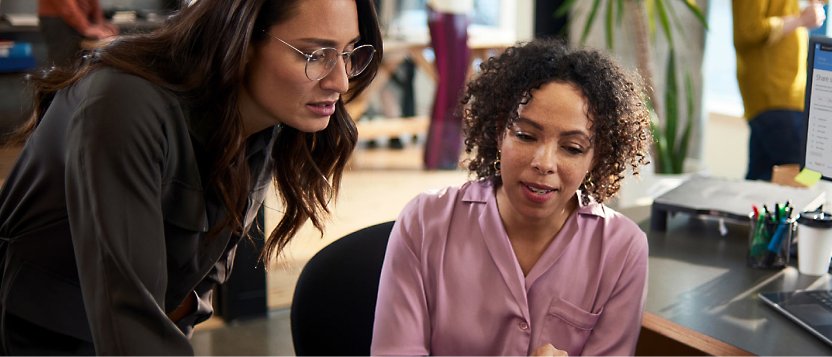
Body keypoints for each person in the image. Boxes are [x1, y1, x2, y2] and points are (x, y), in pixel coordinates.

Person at [0, 0, 382, 354]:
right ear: (242, 39)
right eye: (315, 54)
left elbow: (191, 292)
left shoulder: (263, 121)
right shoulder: (123, 103)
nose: (341, 81)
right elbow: (130, 319)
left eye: (349, 53)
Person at [371, 38, 652, 356]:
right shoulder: (425, 221)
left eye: (572, 148)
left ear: (596, 158)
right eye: (525, 136)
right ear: (497, 132)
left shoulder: (622, 250)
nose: (544, 163)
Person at [733, 0, 826, 181]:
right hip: (775, 97)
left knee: (760, 181)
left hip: (789, 95)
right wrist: (800, 20)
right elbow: (748, 31)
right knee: (807, 176)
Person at [423, 0, 473, 170]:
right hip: (445, 11)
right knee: (448, 89)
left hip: (458, 11)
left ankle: (447, 155)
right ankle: (439, 156)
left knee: (456, 89)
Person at [38, 0, 120, 66]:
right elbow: (66, 6)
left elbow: (94, 3)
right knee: (64, 64)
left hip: (79, 17)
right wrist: (86, 28)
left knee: (82, 64)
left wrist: (100, 24)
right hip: (58, 19)